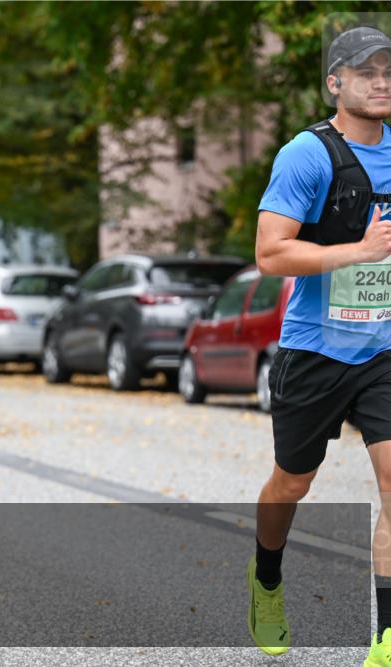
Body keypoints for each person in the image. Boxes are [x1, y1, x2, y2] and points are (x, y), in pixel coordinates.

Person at [249, 26, 391, 664]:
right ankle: (267, 578)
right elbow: (270, 253)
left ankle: (385, 638)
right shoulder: (306, 156)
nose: (381, 81)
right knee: (291, 483)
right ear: (335, 83)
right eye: (366, 72)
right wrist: (357, 252)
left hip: (384, 349)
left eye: (388, 71)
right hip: (316, 349)